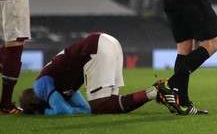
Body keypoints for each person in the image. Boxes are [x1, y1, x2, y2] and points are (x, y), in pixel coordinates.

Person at [18, 32, 178, 115]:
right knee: (108, 105)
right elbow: (84, 109)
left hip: (95, 47)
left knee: (100, 106)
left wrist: (44, 112)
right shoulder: (58, 86)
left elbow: (63, 111)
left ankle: (156, 91)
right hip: (108, 42)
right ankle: (155, 92)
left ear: (33, 103)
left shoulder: (41, 86)